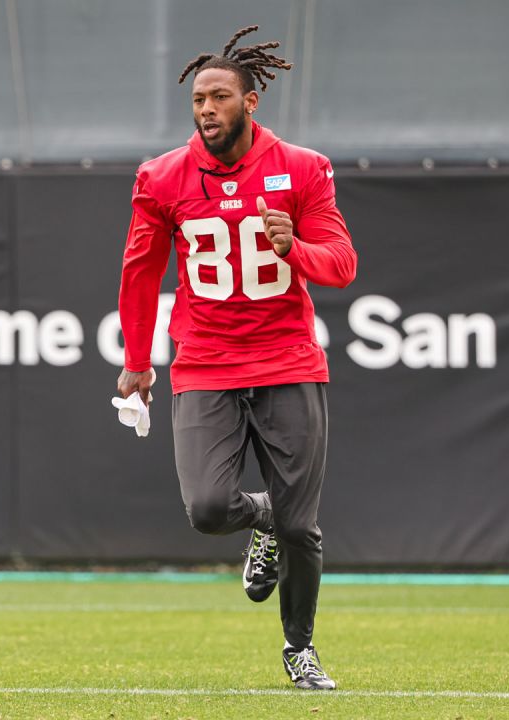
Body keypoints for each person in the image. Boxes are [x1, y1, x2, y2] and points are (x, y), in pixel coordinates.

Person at [115, 25, 356, 691]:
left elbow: (341, 264)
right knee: (209, 509)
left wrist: (295, 250)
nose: (206, 109)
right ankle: (265, 518)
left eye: (219, 97)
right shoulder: (162, 176)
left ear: (251, 102)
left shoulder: (303, 168)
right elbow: (140, 272)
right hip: (207, 362)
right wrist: (139, 359)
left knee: (303, 524)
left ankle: (299, 649)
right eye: (198, 99)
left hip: (287, 359)